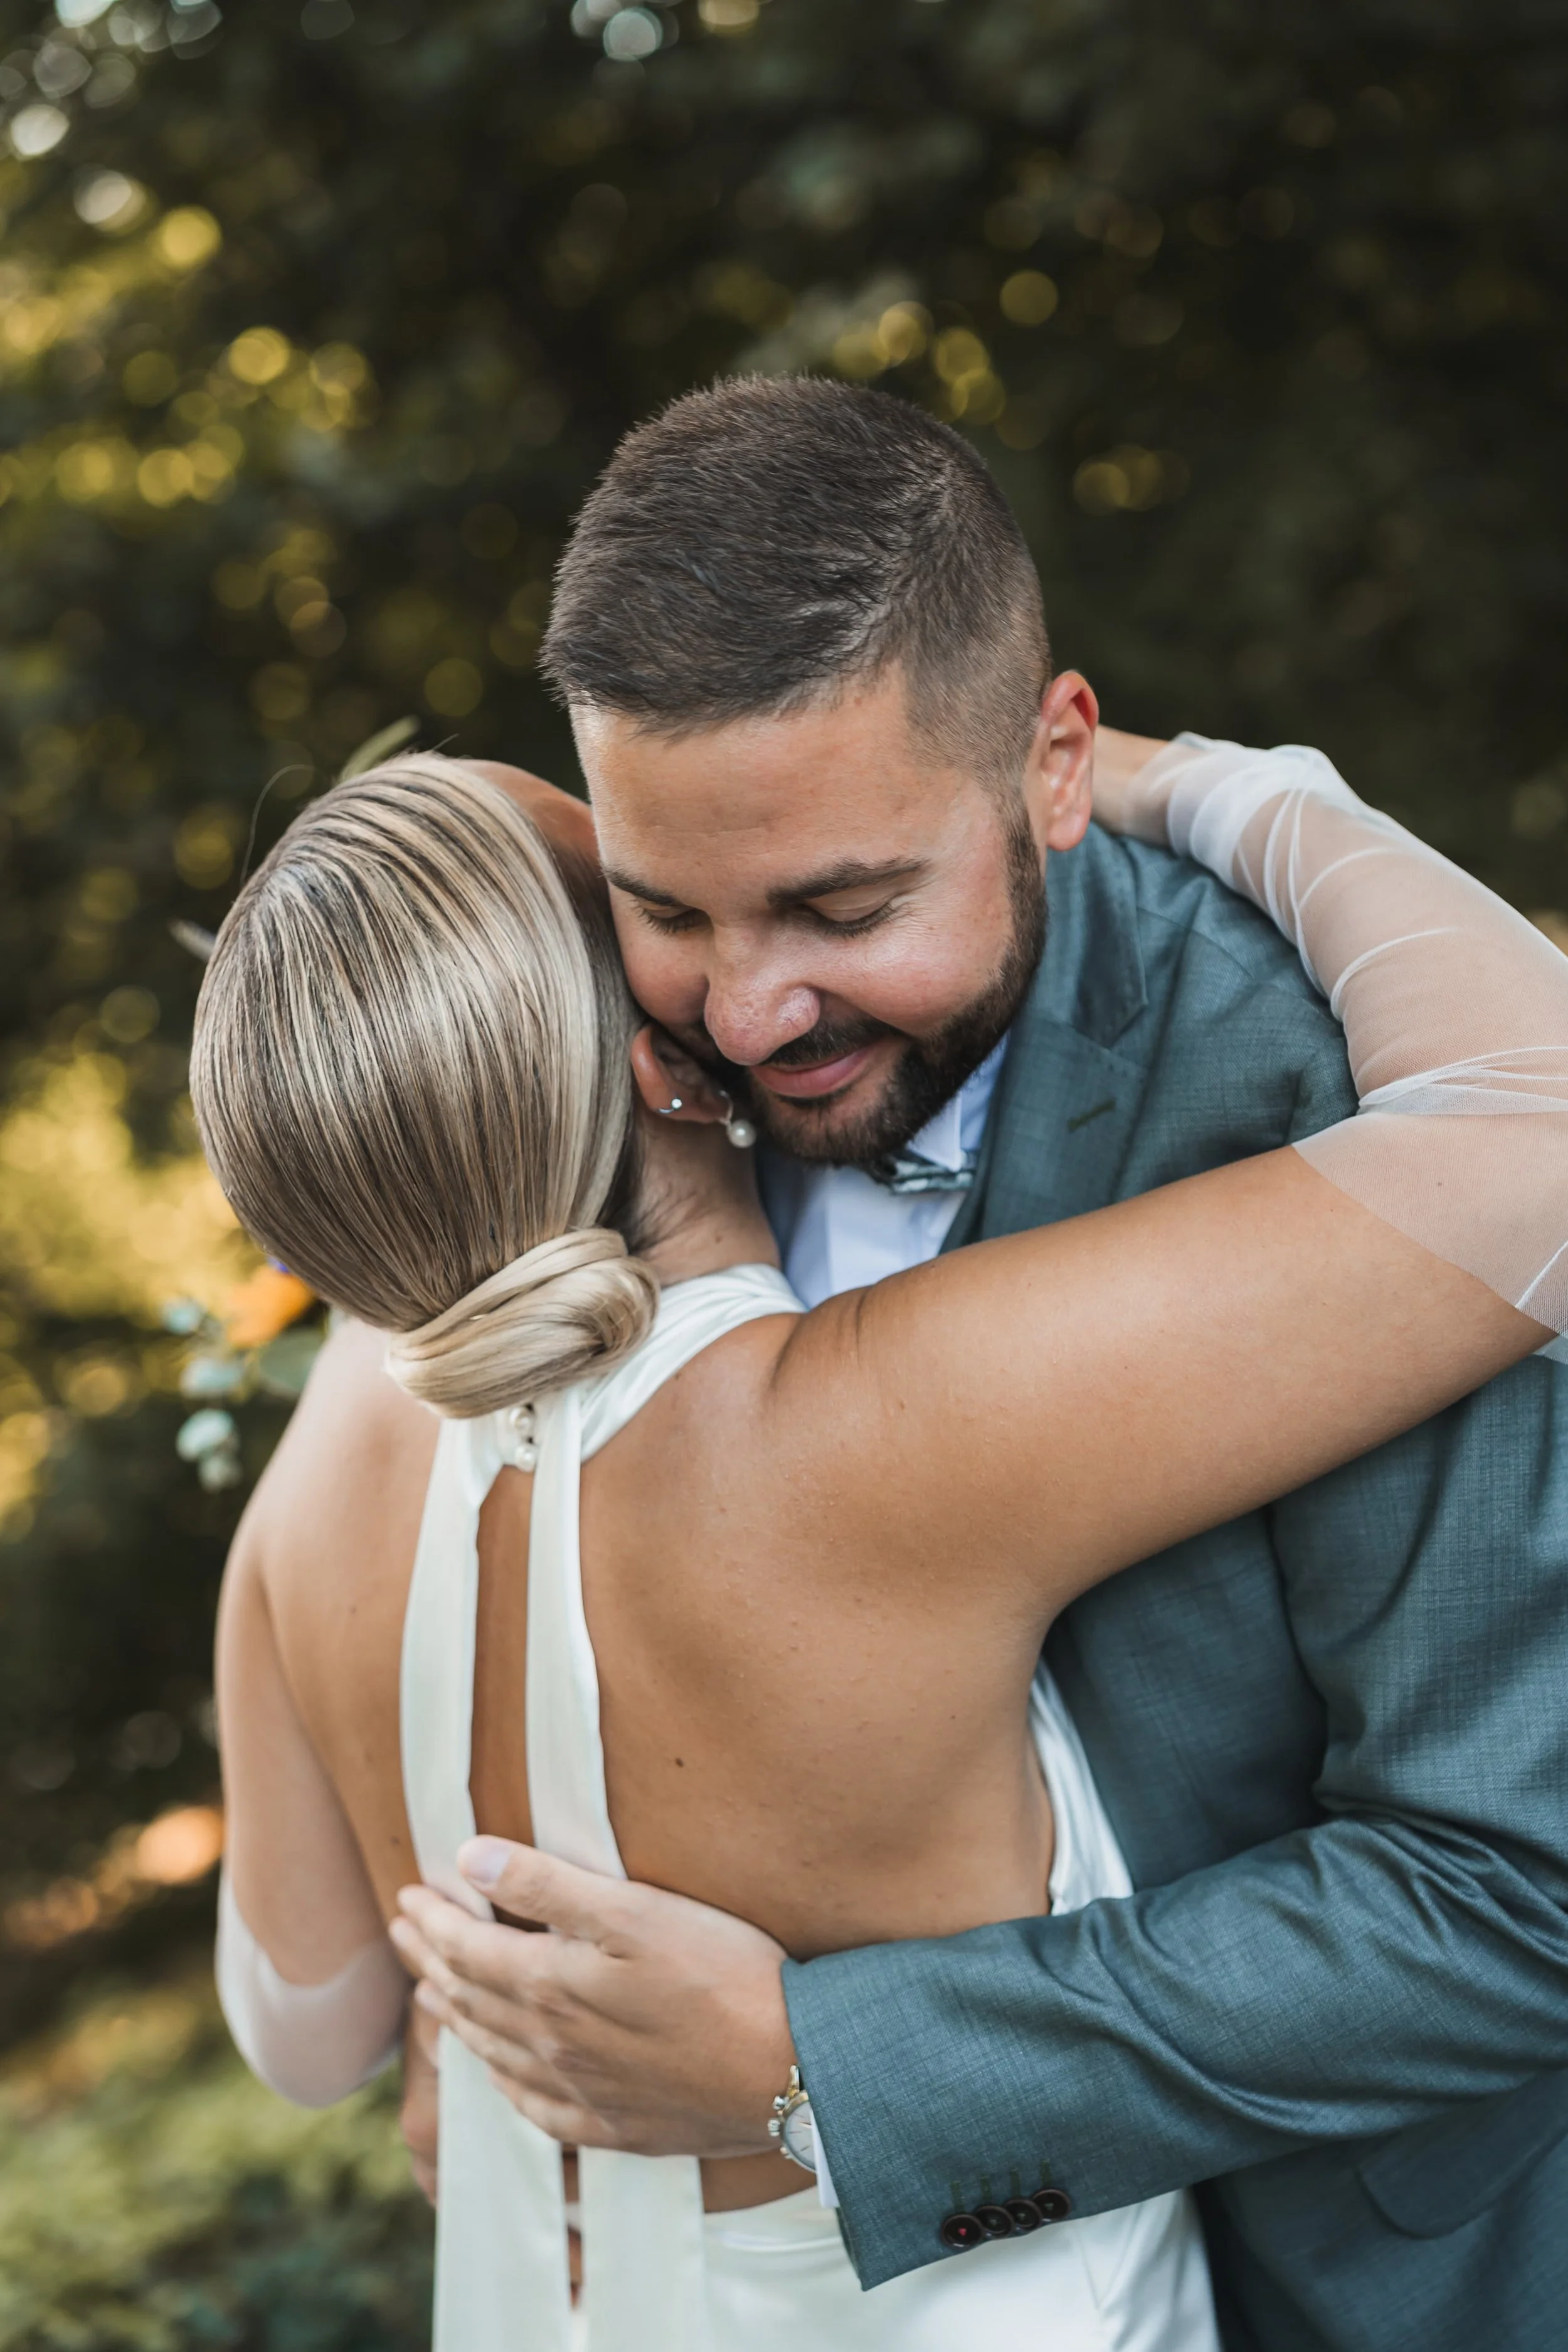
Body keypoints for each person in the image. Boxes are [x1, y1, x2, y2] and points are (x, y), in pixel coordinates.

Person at [389, 382, 1568, 2352]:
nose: (751, 1015)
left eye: (843, 908)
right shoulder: (603, 1110)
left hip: (1383, 2282)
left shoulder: (1332, 1104)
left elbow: (1516, 1888)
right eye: (669, 908)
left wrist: (819, 2067)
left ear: (1051, 766)